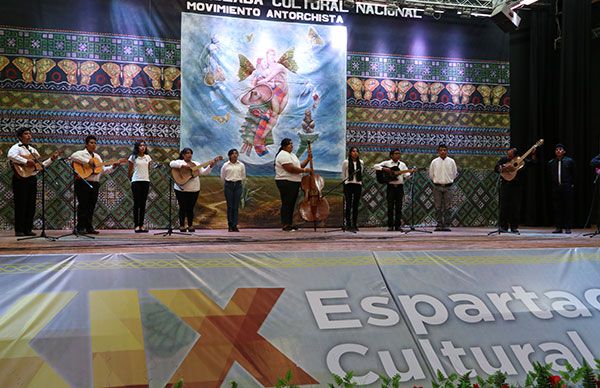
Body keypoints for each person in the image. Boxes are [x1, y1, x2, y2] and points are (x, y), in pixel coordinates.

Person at [8, 128, 58, 237]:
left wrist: (51, 160)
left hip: (31, 178)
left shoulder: (33, 150)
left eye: (30, 133)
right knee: (21, 204)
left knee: (31, 205)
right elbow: (11, 156)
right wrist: (26, 161)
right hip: (20, 179)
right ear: (20, 137)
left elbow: (40, 166)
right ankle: (19, 230)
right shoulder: (16, 147)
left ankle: (27, 229)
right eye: (26, 134)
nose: (29, 136)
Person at [70, 135, 121, 234]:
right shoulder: (80, 153)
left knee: (91, 206)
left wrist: (113, 166)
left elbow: (102, 170)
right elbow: (72, 157)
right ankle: (80, 227)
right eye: (91, 143)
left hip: (95, 183)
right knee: (83, 205)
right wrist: (87, 161)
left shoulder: (97, 157)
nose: (93, 145)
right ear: (86, 144)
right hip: (83, 183)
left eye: (95, 143)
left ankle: (89, 227)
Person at [169, 148, 214, 233]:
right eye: (187, 153)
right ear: (183, 155)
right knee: (182, 207)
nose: (189, 155)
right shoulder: (179, 162)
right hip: (181, 189)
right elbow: (171, 164)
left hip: (194, 189)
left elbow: (204, 173)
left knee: (190, 208)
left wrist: (210, 166)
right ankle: (182, 225)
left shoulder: (196, 164)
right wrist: (183, 166)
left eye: (190, 153)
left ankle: (190, 225)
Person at [494, 146, 536, 234]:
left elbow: (533, 163)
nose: (508, 157)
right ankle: (503, 226)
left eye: (510, 155)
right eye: (508, 155)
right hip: (505, 185)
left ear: (514, 155)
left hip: (516, 186)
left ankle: (514, 227)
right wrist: (503, 168)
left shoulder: (521, 160)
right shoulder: (504, 159)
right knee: (504, 206)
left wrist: (533, 154)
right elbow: (496, 169)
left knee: (515, 207)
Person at [275, 138, 312, 231]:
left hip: (294, 182)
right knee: (287, 203)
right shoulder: (283, 155)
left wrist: (308, 159)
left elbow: (299, 166)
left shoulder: (292, 155)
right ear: (284, 146)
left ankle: (289, 223)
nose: (291, 145)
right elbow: (290, 169)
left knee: (291, 203)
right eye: (289, 144)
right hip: (286, 181)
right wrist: (304, 170)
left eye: (292, 144)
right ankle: (285, 224)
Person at [374, 148, 411, 231]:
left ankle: (398, 225)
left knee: (399, 207)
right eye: (396, 153)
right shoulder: (387, 163)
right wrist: (384, 169)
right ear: (391, 155)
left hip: (399, 188)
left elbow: (406, 175)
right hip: (390, 188)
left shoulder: (402, 165)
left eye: (399, 153)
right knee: (390, 207)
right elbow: (375, 166)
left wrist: (410, 174)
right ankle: (390, 225)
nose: (398, 155)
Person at [428, 144, 458, 232]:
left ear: (447, 151)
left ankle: (447, 225)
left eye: (444, 150)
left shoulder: (451, 161)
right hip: (437, 186)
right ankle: (439, 224)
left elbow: (454, 173)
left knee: (448, 207)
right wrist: (437, 180)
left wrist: (449, 180)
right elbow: (431, 174)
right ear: (438, 151)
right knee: (438, 207)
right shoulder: (434, 162)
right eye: (441, 150)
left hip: (448, 186)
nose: (443, 152)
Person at [547, 144, 575, 234]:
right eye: (556, 149)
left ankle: (567, 227)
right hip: (556, 187)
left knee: (567, 207)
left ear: (564, 151)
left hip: (566, 186)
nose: (558, 151)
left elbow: (574, 174)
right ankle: (558, 227)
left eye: (560, 149)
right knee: (557, 208)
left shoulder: (569, 161)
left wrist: (572, 184)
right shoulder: (551, 162)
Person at [128, 140, 152, 233]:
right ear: (137, 147)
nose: (142, 147)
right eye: (140, 145)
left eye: (144, 145)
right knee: (136, 203)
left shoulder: (148, 157)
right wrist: (132, 179)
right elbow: (129, 171)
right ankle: (136, 225)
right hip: (136, 181)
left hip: (145, 181)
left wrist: (145, 177)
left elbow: (148, 169)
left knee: (143, 204)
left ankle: (142, 225)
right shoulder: (133, 157)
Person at [220, 148, 246, 232]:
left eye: (236, 153)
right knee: (230, 206)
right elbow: (222, 177)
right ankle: (230, 225)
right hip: (229, 185)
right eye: (233, 154)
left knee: (236, 206)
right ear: (229, 155)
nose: (234, 155)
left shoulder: (241, 165)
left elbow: (243, 176)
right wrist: (228, 183)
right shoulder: (225, 165)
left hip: (238, 185)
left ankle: (235, 225)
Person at [341, 147, 363, 232]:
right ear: (350, 153)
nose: (355, 153)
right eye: (353, 151)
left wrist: (359, 181)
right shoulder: (346, 162)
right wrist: (344, 183)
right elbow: (343, 174)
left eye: (357, 151)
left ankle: (354, 224)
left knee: (355, 205)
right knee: (349, 205)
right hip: (348, 185)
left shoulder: (361, 162)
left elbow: (361, 172)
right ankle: (348, 224)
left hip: (357, 185)